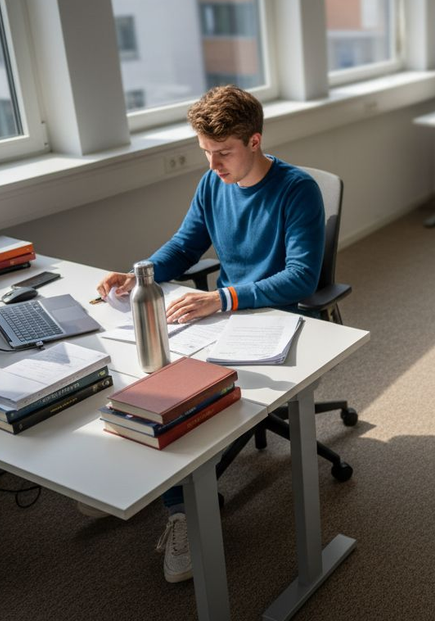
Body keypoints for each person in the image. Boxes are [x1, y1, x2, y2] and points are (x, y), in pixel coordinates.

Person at [91, 86, 325, 583]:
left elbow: (302, 277)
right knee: (146, 380)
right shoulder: (212, 184)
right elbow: (184, 246)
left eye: (224, 153)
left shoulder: (297, 189)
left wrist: (221, 299)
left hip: (275, 323)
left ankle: (184, 517)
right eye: (206, 152)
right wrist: (141, 274)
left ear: (255, 140)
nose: (214, 164)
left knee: (187, 398)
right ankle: (161, 491)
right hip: (225, 320)